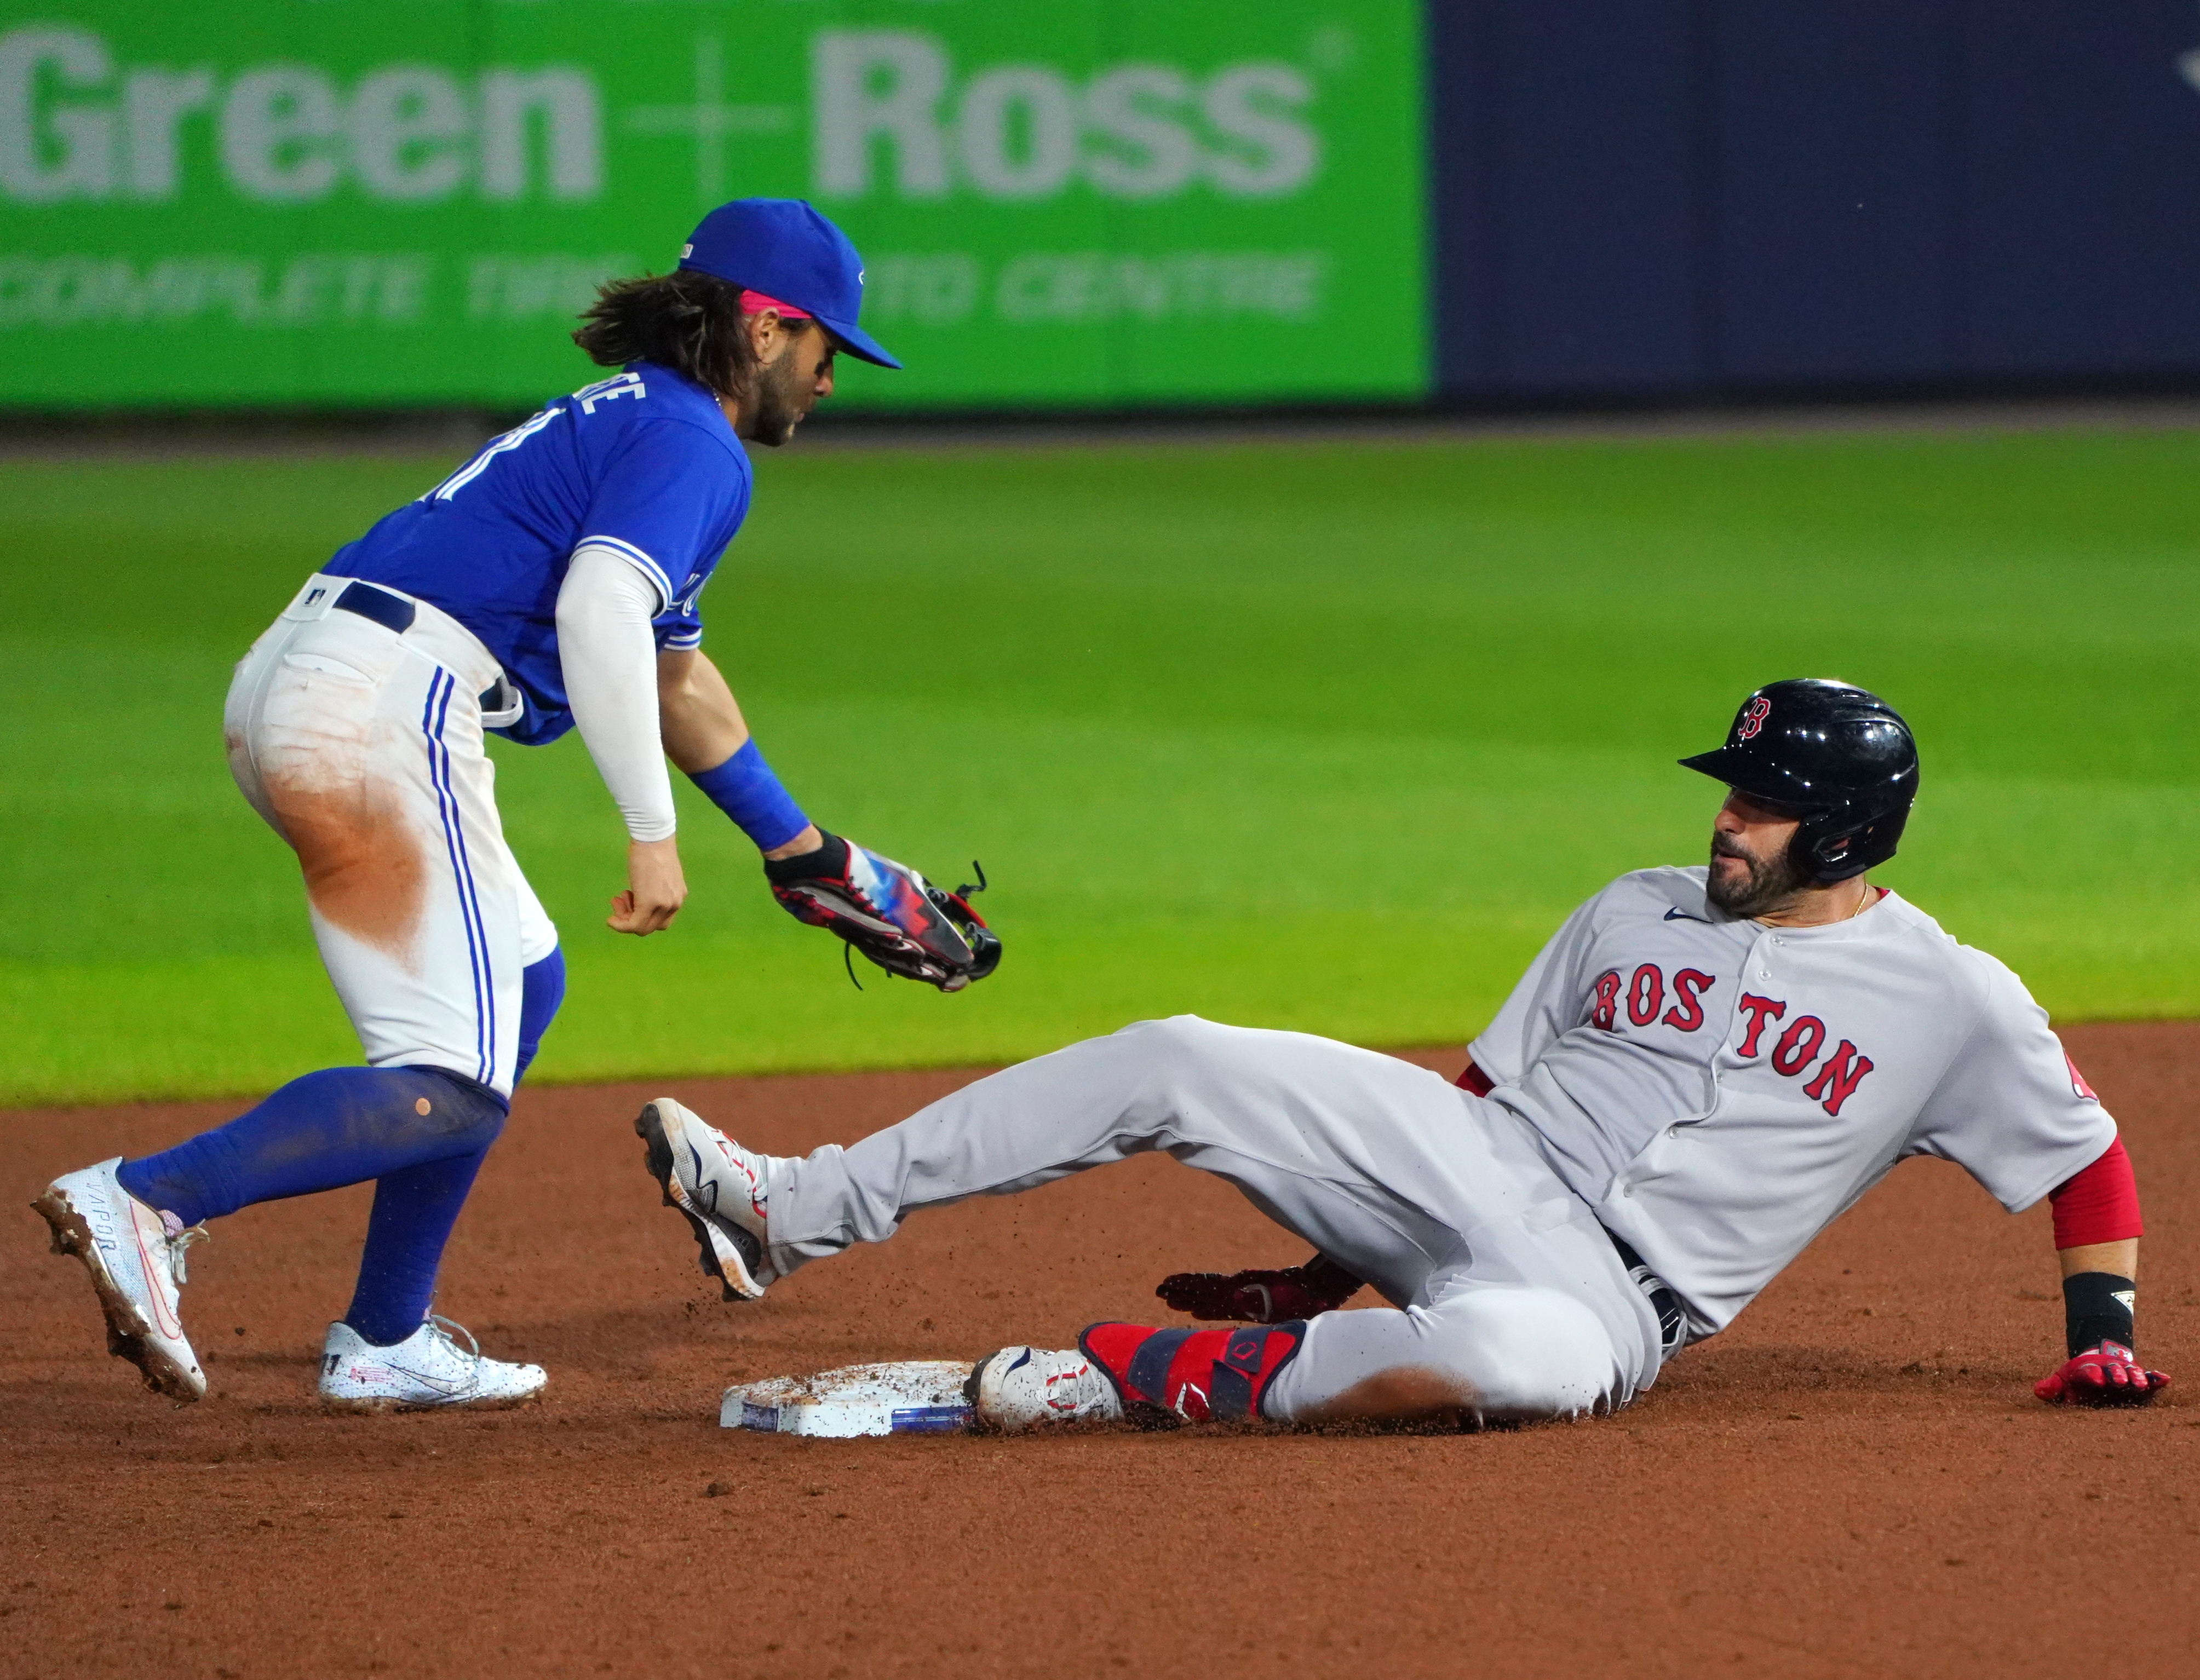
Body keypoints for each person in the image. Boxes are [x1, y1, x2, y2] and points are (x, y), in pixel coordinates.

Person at [634, 679, 2167, 1430]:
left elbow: (2085, 1152)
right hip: (1477, 1160)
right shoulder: (1630, 905)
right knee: (1180, 1050)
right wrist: (1324, 1262)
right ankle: (787, 1203)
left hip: (1611, 1302)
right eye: (1729, 788)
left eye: (1757, 802)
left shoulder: (1950, 996)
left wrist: (2101, 1320)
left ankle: (1108, 1377)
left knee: (1533, 1369)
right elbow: (1469, 1105)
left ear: (1839, 827)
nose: (1723, 816)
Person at [33, 198, 979, 1411]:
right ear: (762, 328)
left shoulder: (639, 419)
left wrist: (798, 847)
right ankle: (149, 1197)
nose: (832, 379)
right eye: (825, 347)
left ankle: (385, 1336)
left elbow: (668, 672)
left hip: (312, 676)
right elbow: (598, 616)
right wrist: (651, 831)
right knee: (451, 1081)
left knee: (524, 980)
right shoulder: (696, 444)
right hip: (381, 703)